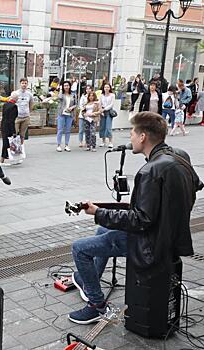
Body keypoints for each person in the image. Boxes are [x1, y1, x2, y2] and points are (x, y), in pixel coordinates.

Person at [68, 111, 202, 324]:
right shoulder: (179, 156)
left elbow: (140, 220)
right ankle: (87, 279)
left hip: (150, 243)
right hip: (169, 236)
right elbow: (195, 186)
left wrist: (99, 212)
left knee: (79, 248)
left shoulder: (150, 170)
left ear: (143, 137)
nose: (129, 138)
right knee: (102, 231)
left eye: (132, 133)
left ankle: (97, 305)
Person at [54, 81, 76, 152]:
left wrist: (71, 108)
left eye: (67, 85)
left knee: (68, 130)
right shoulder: (62, 94)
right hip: (62, 114)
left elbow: (76, 104)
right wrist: (60, 89)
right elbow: (59, 97)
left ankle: (66, 145)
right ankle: (59, 145)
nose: (66, 87)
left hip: (69, 114)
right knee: (60, 130)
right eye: (65, 86)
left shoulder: (73, 94)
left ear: (70, 86)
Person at [0, 92, 18, 166]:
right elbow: (12, 120)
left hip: (3, 125)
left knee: (6, 142)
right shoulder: (14, 106)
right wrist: (13, 131)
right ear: (16, 99)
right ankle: (2, 159)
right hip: (9, 127)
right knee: (8, 143)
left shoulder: (5, 105)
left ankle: (7, 158)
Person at [14, 77, 34, 145]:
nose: (24, 85)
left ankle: (21, 147)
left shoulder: (29, 94)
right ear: (20, 84)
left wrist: (28, 112)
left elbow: (31, 105)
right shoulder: (15, 93)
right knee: (14, 133)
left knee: (22, 135)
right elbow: (11, 104)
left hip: (25, 117)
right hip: (17, 117)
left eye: (25, 83)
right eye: (22, 83)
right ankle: (13, 148)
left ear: (27, 84)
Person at [99, 83, 115, 149]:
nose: (106, 88)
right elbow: (99, 103)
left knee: (108, 127)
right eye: (105, 87)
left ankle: (110, 142)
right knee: (102, 126)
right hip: (102, 112)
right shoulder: (101, 95)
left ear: (110, 88)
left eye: (108, 87)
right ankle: (103, 141)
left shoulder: (112, 95)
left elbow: (111, 104)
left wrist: (104, 109)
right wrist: (100, 110)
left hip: (109, 112)